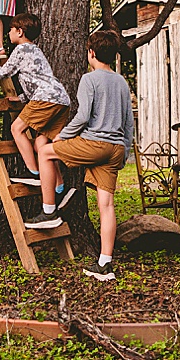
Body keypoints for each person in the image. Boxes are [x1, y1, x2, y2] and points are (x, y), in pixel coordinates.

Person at [42, 29, 134, 281]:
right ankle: (105, 264)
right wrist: (124, 150)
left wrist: (63, 136)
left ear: (91, 53)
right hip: (115, 149)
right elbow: (129, 123)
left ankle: (49, 209)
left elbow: (83, 116)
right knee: (106, 205)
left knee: (45, 151)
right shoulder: (121, 82)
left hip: (95, 144)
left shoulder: (90, 79)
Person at [0, 13, 72, 229]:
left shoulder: (20, 50)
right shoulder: (36, 51)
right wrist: (22, 98)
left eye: (11, 29)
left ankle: (34, 173)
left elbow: (2, 74)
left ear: (20, 32)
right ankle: (59, 188)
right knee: (42, 144)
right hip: (60, 99)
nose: (9, 32)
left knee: (17, 128)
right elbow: (38, 79)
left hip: (45, 99)